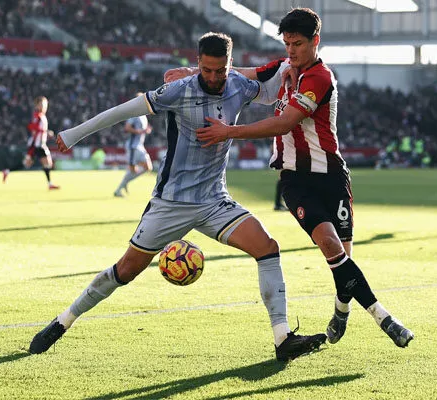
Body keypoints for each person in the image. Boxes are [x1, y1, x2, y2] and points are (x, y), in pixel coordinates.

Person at [29, 32, 327, 362]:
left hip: (215, 200)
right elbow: (122, 111)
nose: (213, 78)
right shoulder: (179, 90)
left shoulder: (240, 86)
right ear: (197, 63)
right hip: (171, 203)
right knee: (125, 270)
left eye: (221, 71)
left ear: (230, 66)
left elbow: (270, 90)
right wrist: (74, 134)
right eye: (206, 70)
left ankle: (283, 338)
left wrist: (289, 64)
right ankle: (63, 321)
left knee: (267, 248)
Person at [193, 8, 414, 348]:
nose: (291, 50)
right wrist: (192, 73)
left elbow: (284, 123)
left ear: (315, 41)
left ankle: (341, 310)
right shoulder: (283, 67)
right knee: (329, 244)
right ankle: (385, 318)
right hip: (295, 180)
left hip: (331, 177)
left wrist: (229, 132)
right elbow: (244, 72)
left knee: (343, 265)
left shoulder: (319, 77)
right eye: (286, 43)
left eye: (297, 43)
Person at [2, 96, 60, 190]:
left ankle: (7, 171)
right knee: (40, 163)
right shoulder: (37, 116)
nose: (44, 106)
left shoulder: (41, 116)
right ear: (37, 105)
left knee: (31, 163)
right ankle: (49, 184)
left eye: (45, 105)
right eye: (41, 104)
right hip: (36, 145)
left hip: (40, 144)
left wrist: (44, 132)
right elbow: (31, 126)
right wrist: (45, 132)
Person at [114, 93, 153, 197]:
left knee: (147, 167)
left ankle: (123, 184)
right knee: (134, 170)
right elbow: (127, 128)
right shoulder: (134, 114)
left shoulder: (144, 115)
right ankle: (118, 190)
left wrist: (146, 130)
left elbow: (142, 129)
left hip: (139, 146)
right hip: (133, 147)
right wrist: (140, 131)